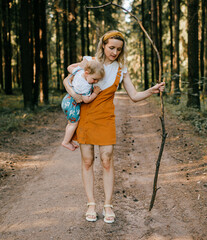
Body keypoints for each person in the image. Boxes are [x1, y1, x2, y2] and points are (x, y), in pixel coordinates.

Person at [63, 30, 165, 223]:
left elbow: (134, 96)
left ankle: (108, 205)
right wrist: (74, 95)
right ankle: (91, 204)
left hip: (105, 118)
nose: (114, 52)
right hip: (85, 116)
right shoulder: (89, 61)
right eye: (111, 47)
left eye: (118, 49)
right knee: (87, 161)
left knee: (107, 159)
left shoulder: (121, 69)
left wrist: (151, 91)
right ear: (103, 45)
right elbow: (68, 80)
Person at [61, 60, 105, 151]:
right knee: (74, 124)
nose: (95, 81)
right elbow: (86, 100)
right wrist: (95, 93)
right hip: (72, 104)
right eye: (94, 79)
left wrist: (79, 64)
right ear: (87, 73)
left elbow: (69, 67)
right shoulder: (85, 85)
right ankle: (65, 142)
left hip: (67, 100)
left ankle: (69, 140)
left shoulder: (79, 71)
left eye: (97, 80)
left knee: (70, 123)